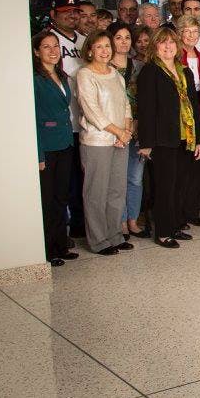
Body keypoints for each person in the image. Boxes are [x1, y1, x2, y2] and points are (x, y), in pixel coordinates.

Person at [136, 27, 200, 249]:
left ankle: (176, 225)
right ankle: (163, 232)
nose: (168, 47)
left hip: (186, 137)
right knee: (165, 186)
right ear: (155, 46)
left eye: (172, 43)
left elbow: (194, 107)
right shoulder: (150, 71)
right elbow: (146, 110)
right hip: (162, 139)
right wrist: (146, 144)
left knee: (180, 185)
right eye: (163, 43)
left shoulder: (185, 71)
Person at [74, 31, 134, 256]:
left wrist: (126, 132)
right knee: (96, 193)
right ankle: (99, 240)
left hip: (120, 140)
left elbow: (125, 105)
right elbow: (92, 111)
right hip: (97, 142)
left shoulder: (116, 74)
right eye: (98, 47)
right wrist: (118, 132)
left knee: (117, 190)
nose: (104, 50)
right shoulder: (85, 75)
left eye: (107, 46)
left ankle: (114, 235)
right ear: (90, 50)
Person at [33, 32, 81, 265]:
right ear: (36, 52)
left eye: (55, 46)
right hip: (47, 146)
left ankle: (61, 244)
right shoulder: (35, 80)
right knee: (47, 199)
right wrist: (38, 153)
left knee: (61, 197)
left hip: (65, 142)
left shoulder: (61, 75)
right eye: (46, 47)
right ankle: (47, 250)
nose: (53, 51)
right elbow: (32, 119)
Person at [106, 23, 144, 240]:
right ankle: (119, 221)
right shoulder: (103, 67)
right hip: (114, 131)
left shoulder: (139, 65)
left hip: (137, 129)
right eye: (118, 37)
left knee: (135, 178)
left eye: (127, 37)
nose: (123, 41)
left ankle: (133, 220)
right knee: (117, 179)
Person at [176, 14, 200, 229]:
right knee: (182, 168)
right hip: (181, 114)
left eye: (194, 32)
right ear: (179, 34)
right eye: (186, 31)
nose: (191, 35)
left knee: (199, 166)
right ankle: (179, 212)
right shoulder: (172, 58)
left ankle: (193, 211)